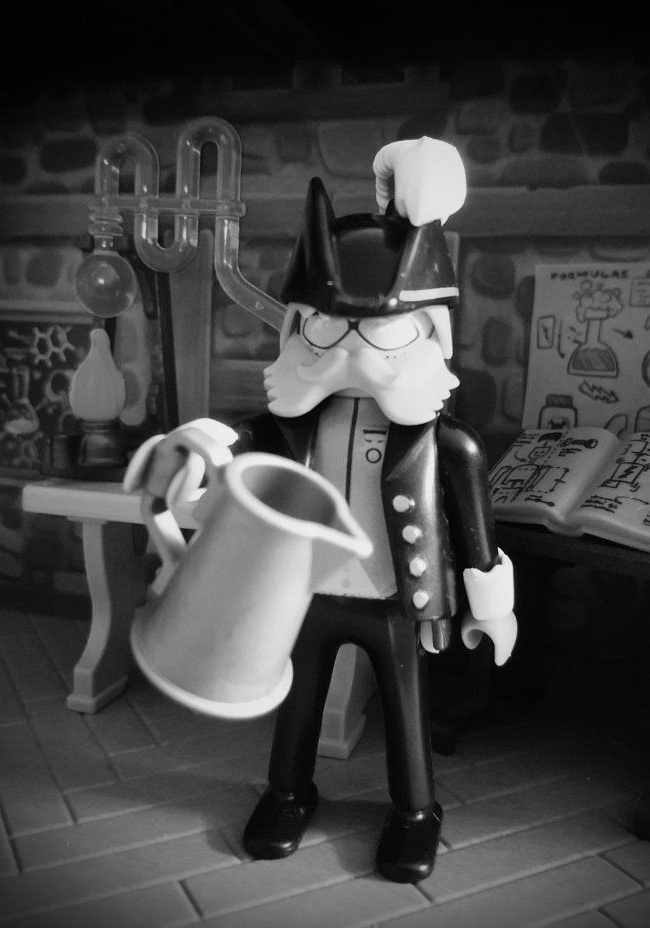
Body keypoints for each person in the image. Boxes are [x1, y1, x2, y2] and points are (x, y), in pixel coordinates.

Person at [130, 137, 516, 883]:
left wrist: (492, 606)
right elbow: (238, 436)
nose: (349, 353)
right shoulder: (296, 419)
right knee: (299, 699)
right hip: (303, 590)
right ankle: (287, 792)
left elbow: (475, 532)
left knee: (405, 707)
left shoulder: (446, 443)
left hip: (395, 596)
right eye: (325, 329)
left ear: (429, 334)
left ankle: (414, 812)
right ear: (296, 326)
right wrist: (198, 442)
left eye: (379, 333)